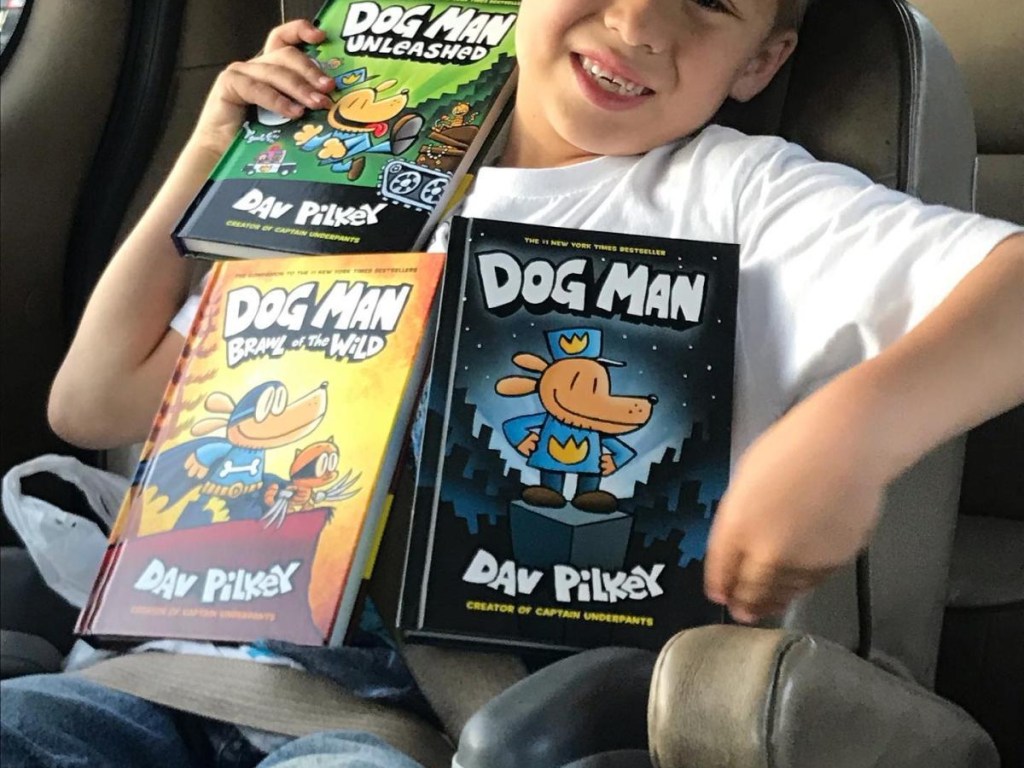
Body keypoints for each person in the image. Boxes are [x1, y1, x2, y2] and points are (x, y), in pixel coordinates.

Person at [3, 0, 1022, 766]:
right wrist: (216, 160)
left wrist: (851, 433)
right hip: (168, 663)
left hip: (416, 718)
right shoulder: (367, 159)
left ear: (760, 59)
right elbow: (97, 403)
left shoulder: (735, 190)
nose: (638, 22)